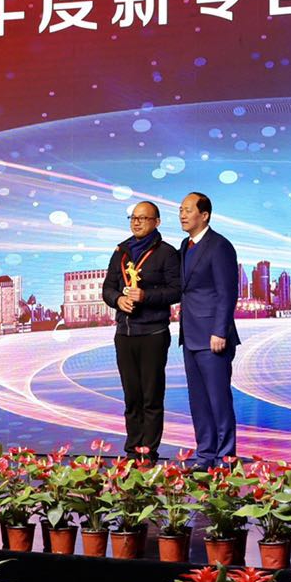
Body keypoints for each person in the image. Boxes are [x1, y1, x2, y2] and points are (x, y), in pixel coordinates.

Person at [101, 200, 180, 461]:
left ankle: (149, 452)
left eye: (143, 218)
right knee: (131, 396)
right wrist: (117, 300)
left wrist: (145, 296)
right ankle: (132, 450)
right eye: (133, 218)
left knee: (151, 397)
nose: (136, 222)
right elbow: (108, 288)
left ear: (157, 222)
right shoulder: (121, 252)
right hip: (124, 334)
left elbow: (176, 291)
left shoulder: (167, 253)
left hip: (153, 334)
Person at [177, 191, 241, 468]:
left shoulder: (219, 246)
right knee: (199, 401)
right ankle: (205, 455)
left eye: (188, 210)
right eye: (180, 210)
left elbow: (227, 293)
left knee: (219, 401)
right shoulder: (185, 245)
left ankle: (226, 458)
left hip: (213, 337)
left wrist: (220, 331)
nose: (182, 214)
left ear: (204, 215)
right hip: (190, 335)